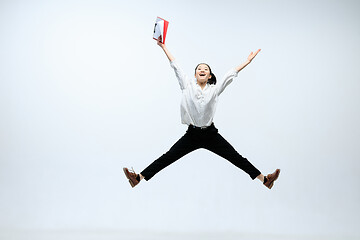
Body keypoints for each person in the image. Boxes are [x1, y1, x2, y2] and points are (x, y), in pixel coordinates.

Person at [123, 38, 280, 189]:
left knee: (236, 158)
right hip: (192, 135)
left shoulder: (215, 90)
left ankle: (265, 180)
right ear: (195, 75)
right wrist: (163, 46)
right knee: (167, 157)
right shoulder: (187, 85)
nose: (202, 70)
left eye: (206, 69)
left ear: (209, 75)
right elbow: (175, 65)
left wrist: (247, 61)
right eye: (199, 69)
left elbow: (231, 74)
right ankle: (137, 178)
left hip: (211, 135)